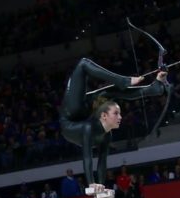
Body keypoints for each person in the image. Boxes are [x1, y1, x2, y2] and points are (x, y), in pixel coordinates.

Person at [59, 57, 169, 188]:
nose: (120, 117)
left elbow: (102, 161)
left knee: (108, 92)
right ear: (105, 116)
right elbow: (87, 157)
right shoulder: (88, 127)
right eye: (116, 114)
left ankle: (154, 88)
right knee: (84, 65)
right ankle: (125, 81)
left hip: (84, 116)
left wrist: (101, 186)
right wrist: (91, 183)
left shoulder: (106, 134)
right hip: (70, 118)